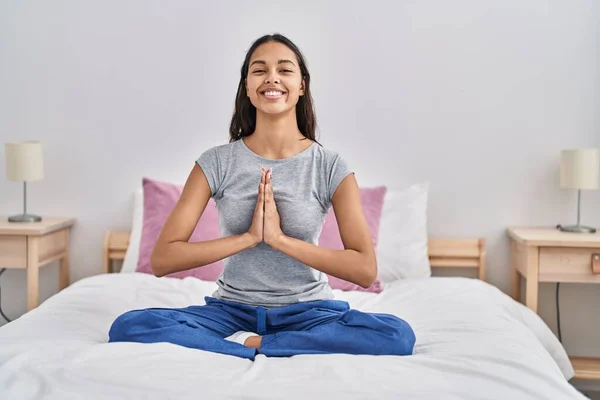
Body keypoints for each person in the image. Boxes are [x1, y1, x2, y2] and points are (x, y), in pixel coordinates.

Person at [108, 33, 415, 360]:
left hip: (309, 312)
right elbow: (163, 260)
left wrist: (280, 239)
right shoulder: (217, 162)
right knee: (129, 326)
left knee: (396, 335)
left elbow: (365, 270)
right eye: (259, 70)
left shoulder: (330, 166)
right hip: (231, 311)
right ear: (247, 86)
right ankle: (246, 343)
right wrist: (250, 237)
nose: (272, 77)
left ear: (301, 86)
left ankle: (252, 346)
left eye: (284, 69)